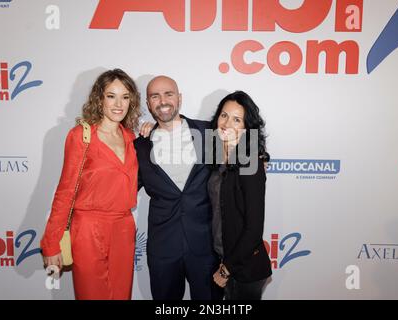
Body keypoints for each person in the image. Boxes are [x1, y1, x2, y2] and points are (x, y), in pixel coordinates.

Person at [40, 69, 142, 300]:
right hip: (88, 228)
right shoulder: (81, 135)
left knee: (121, 296)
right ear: (99, 98)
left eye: (125, 97)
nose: (119, 104)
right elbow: (65, 191)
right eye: (111, 96)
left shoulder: (132, 139)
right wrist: (52, 242)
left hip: (124, 229)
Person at [134, 75, 223, 300]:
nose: (163, 101)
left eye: (168, 94)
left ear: (179, 98)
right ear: (148, 104)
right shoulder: (140, 146)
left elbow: (242, 147)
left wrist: (261, 155)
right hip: (163, 249)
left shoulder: (207, 132)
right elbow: (120, 186)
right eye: (155, 96)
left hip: (205, 248)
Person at [208, 91, 272, 300]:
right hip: (223, 257)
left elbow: (253, 230)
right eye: (223, 115)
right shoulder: (216, 157)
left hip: (243, 269)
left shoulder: (250, 163)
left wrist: (227, 269)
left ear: (247, 128)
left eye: (237, 119)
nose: (227, 124)